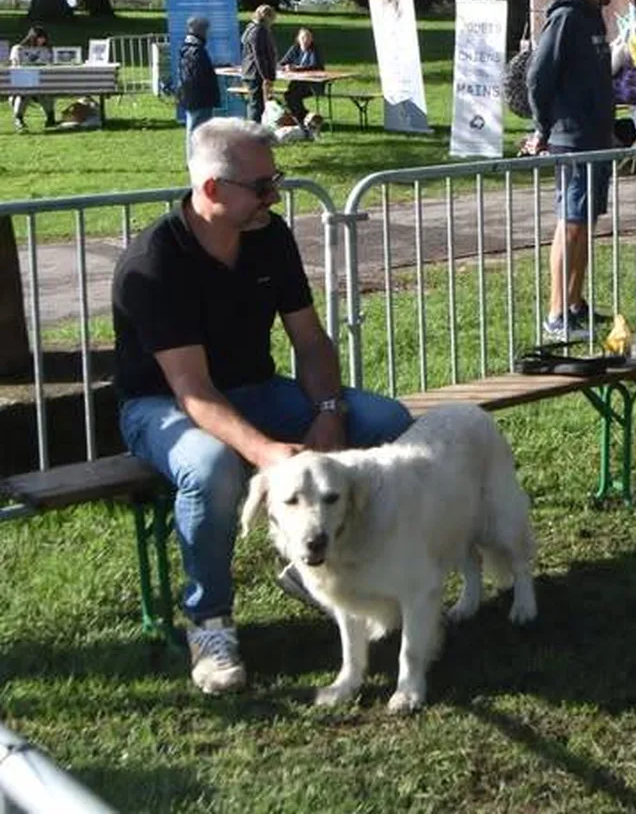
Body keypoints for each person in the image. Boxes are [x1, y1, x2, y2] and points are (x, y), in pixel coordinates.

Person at [112, 119, 414, 695]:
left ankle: (327, 568)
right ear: (212, 191)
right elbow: (193, 391)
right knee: (211, 468)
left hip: (257, 388)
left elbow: (310, 338)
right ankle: (211, 623)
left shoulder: (269, 235)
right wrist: (268, 453)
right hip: (161, 405)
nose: (274, 198)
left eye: (275, 182)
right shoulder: (152, 264)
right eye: (262, 186)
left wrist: (328, 409)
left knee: (385, 421)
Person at [527, 0, 619, 339]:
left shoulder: (594, 15)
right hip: (571, 139)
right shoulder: (565, 18)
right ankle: (555, 315)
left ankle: (575, 304)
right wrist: (543, 128)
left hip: (597, 137)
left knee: (587, 224)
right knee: (571, 225)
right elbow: (537, 76)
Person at [176, 15, 221, 152]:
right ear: (201, 30)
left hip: (191, 94)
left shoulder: (188, 47)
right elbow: (197, 75)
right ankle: (195, 160)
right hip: (199, 96)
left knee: (195, 127)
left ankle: (195, 159)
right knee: (198, 129)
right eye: (205, 29)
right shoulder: (196, 49)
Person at [9, 24, 56, 131]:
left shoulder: (45, 50)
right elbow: (15, 66)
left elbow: (49, 66)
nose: (42, 41)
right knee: (25, 93)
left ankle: (50, 117)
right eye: (40, 38)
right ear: (33, 38)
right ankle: (19, 119)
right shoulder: (18, 49)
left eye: (44, 39)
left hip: (40, 81)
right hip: (22, 81)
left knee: (45, 92)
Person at [239, 5, 278, 124]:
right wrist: (266, 76)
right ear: (267, 17)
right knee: (257, 105)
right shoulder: (259, 30)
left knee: (256, 103)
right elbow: (259, 55)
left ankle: (255, 132)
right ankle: (254, 134)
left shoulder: (250, 28)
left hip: (250, 72)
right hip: (255, 73)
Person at [277, 26, 324, 125]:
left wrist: (297, 69)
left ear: (312, 39)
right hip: (297, 82)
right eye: (303, 37)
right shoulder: (295, 48)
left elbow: (315, 66)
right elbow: (282, 63)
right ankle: (303, 117)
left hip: (312, 84)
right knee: (289, 95)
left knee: (291, 96)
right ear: (298, 38)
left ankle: (302, 117)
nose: (305, 40)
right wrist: (286, 66)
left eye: (308, 37)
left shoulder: (314, 50)